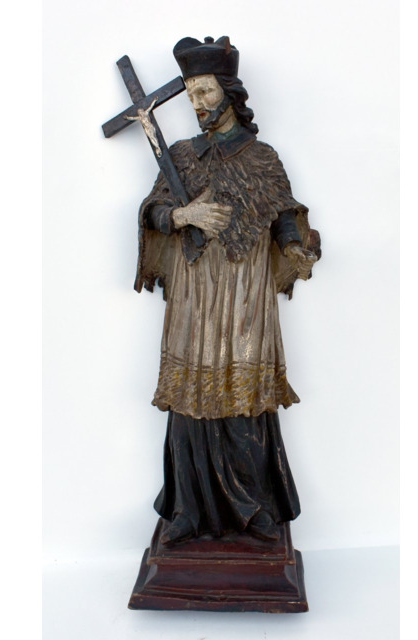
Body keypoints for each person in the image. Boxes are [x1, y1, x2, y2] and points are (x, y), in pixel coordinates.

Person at [135, 36, 320, 545]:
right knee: (190, 398)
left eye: (206, 91)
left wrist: (296, 246)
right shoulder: (181, 156)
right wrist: (183, 214)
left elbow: (282, 212)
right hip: (194, 293)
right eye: (191, 93)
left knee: (242, 397)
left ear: (230, 93)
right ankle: (186, 510)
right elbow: (152, 211)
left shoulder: (262, 158)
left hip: (244, 293)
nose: (197, 103)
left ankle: (253, 508)